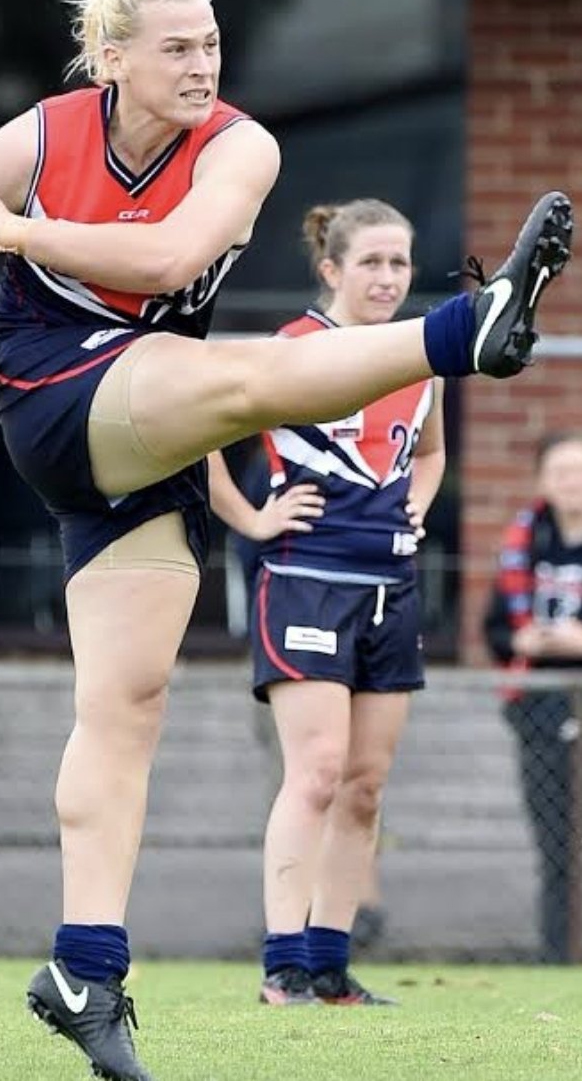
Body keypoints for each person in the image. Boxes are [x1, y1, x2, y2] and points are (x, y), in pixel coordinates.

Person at [0, 0, 572, 1079]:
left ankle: (83, 965)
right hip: (58, 395)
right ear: (110, 56)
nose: (201, 65)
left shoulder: (242, 145)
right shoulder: (32, 141)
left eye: (210, 45)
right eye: (174, 47)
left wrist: (17, 235)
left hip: (151, 430)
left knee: (126, 702)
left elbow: (173, 255)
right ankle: (466, 328)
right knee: (232, 379)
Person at [209, 198, 443, 1005]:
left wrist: (421, 499)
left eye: (399, 263)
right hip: (306, 575)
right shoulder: (291, 350)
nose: (387, 278)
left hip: (392, 584)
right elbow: (200, 432)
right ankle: (282, 965)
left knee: (366, 783)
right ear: (332, 268)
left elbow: (431, 451)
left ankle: (331, 965)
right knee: (313, 773)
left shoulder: (419, 357)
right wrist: (251, 516)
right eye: (371, 262)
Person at [483, 431, 582, 964]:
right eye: (562, 472)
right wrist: (523, 640)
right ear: (543, 480)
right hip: (541, 705)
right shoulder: (526, 541)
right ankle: (559, 955)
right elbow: (495, 629)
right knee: (556, 844)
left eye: (580, 471)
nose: (573, 483)